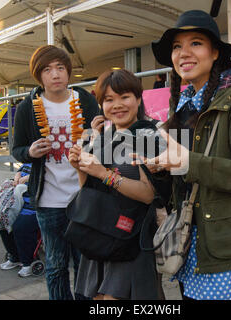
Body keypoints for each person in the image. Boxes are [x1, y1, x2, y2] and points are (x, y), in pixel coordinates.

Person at [134, 10, 231, 300]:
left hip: (221, 246)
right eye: (176, 46)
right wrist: (161, 168)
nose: (184, 53)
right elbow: (184, 173)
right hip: (186, 242)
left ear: (215, 53)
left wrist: (186, 162)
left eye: (195, 43)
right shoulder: (183, 106)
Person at [68, 69, 170, 300]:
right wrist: (79, 167)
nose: (117, 105)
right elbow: (88, 190)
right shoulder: (101, 137)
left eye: (124, 97)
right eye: (109, 99)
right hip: (99, 231)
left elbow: (148, 196)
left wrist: (103, 173)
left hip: (132, 238)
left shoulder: (150, 135)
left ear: (137, 98)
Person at [12, 45, 99, 299]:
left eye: (60, 68)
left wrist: (94, 140)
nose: (55, 74)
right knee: (56, 265)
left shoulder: (83, 99)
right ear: (39, 75)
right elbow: (17, 149)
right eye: (48, 69)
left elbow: (102, 139)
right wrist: (30, 151)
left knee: (85, 263)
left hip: (83, 196)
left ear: (68, 72)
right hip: (48, 200)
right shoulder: (28, 107)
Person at [0, 163, 40, 277]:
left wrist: (30, 177)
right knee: (3, 222)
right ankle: (15, 256)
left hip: (35, 207)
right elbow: (20, 170)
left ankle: (28, 262)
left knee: (20, 227)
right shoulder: (29, 160)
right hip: (18, 203)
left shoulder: (48, 162)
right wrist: (17, 177)